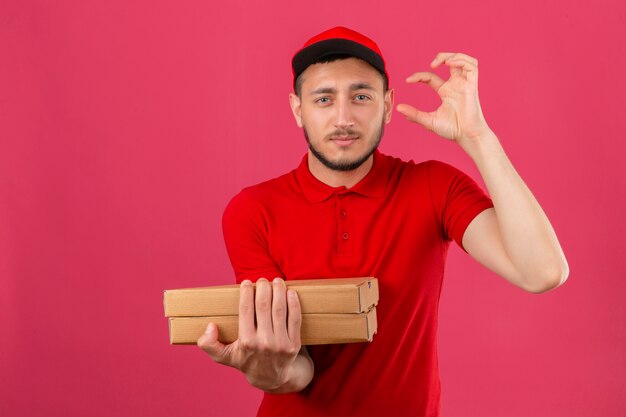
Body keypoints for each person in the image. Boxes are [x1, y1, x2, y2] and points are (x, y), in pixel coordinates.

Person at [197, 26, 569, 416]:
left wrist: (477, 136)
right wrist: (267, 371)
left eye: (361, 97)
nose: (343, 118)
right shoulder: (252, 209)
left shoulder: (433, 187)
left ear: (388, 105)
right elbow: (299, 369)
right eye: (324, 99)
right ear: (297, 109)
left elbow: (542, 272)